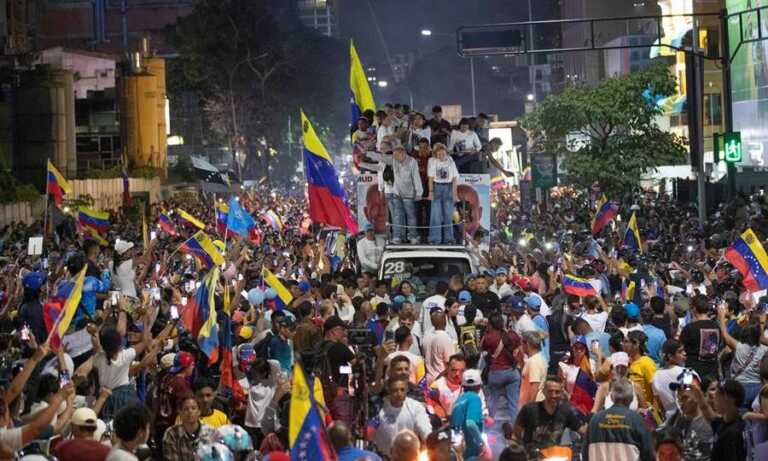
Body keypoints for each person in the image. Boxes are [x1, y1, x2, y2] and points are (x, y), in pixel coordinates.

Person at [512, 375, 585, 458]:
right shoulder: (529, 409)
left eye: (557, 392)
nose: (553, 395)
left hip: (553, 456)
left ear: (561, 393)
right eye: (550, 391)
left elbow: (582, 430)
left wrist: (595, 426)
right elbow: (516, 433)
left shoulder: (565, 411)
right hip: (531, 457)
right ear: (543, 391)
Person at [582, 377, 654, 461]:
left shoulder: (595, 420)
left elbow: (585, 454)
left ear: (612, 398)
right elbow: (648, 454)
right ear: (631, 399)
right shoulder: (637, 420)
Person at [717, 303, 767, 406]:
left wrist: (721, 317)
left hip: (740, 386)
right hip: (757, 386)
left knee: (740, 413)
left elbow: (725, 335)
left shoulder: (739, 346)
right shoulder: (765, 350)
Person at [372, 378, 431, 457]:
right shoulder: (379, 409)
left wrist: (429, 441)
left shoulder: (416, 407)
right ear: (389, 391)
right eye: (395, 390)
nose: (399, 393)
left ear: (407, 390)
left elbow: (425, 429)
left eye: (402, 390)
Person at [481, 314, 521, 423]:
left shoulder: (490, 337)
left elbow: (481, 347)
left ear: (490, 324)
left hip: (496, 372)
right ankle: (515, 430)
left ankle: (489, 428)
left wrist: (486, 331)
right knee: (513, 403)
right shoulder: (511, 334)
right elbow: (518, 346)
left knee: (492, 402)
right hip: (512, 372)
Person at [665, 369, 713, 461]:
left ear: (698, 395)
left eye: (685, 398)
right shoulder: (675, 420)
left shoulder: (711, 421)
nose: (680, 402)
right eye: (679, 398)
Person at [450, 369, 492, 460]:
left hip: (456, 447)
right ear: (479, 386)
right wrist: (481, 443)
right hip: (468, 449)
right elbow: (470, 423)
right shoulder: (475, 399)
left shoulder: (459, 400)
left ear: (463, 386)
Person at [680, 294, 721, 379]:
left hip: (693, 372)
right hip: (712, 372)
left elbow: (681, 348)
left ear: (694, 308)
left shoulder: (690, 328)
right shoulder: (716, 327)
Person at [162, 395, 215, 461]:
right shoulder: (171, 433)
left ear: (199, 411)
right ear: (180, 412)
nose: (190, 412)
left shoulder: (211, 431)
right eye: (186, 409)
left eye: (193, 408)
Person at [389, 146, 423, 244]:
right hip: (396, 193)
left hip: (408, 194)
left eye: (396, 155)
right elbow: (382, 158)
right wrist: (367, 153)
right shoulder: (394, 160)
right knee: (397, 216)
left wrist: (419, 192)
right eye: (394, 155)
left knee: (411, 216)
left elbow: (416, 177)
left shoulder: (412, 162)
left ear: (403, 153)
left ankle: (413, 236)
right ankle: (397, 236)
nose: (394, 158)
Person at [427, 143, 459, 245]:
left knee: (448, 214)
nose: (441, 155)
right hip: (437, 186)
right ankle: (435, 239)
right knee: (435, 214)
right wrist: (431, 192)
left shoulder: (451, 161)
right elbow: (431, 178)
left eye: (443, 153)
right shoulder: (432, 161)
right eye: (438, 154)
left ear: (446, 153)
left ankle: (449, 239)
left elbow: (454, 178)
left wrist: (454, 193)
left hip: (448, 187)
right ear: (435, 154)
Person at [711, 379, 747, 460]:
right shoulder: (724, 422)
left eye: (716, 396)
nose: (714, 400)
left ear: (727, 398)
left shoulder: (733, 433)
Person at [652, 339, 687, 417]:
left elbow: (659, 403)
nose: (685, 353)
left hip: (668, 419)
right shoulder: (686, 373)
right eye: (680, 351)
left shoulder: (656, 375)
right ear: (670, 356)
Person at [423, 307, 457, 384]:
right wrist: (437, 381)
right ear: (445, 321)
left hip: (428, 379)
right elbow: (451, 364)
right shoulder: (445, 337)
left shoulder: (426, 336)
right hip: (441, 381)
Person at [518, 331, 548, 407]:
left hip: (533, 406)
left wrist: (529, 409)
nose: (520, 346)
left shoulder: (534, 362)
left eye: (521, 344)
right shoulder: (537, 359)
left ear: (527, 344)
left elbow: (535, 386)